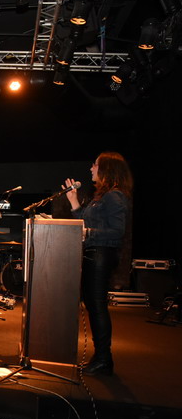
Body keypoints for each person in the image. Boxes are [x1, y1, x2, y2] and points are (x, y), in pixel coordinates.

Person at [64, 152, 132, 376]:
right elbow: (82, 223)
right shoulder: (101, 196)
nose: (91, 168)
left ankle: (104, 359)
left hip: (102, 254)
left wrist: (89, 233)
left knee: (97, 305)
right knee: (93, 305)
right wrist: (73, 201)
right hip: (95, 254)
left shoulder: (114, 196)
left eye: (95, 165)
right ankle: (101, 357)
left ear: (106, 169)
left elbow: (117, 231)